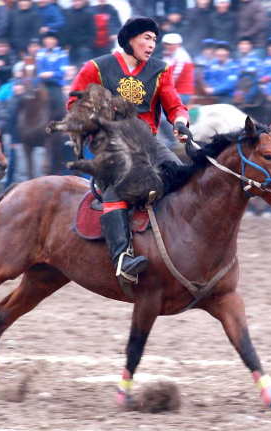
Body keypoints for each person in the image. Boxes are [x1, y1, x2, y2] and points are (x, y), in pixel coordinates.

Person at [68, 17, 190, 285]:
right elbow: (75, 104)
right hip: (111, 142)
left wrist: (181, 122)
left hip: (148, 140)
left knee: (183, 175)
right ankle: (122, 258)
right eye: (147, 38)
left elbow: (175, 106)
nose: (152, 45)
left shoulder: (161, 70)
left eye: (154, 40)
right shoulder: (96, 67)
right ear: (130, 39)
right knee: (120, 186)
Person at [36, 31, 68, 121]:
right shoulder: (40, 53)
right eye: (47, 39)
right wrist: (41, 74)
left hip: (55, 85)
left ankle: (58, 123)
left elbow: (61, 72)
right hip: (41, 84)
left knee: (58, 104)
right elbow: (38, 68)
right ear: (44, 41)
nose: (49, 41)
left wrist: (50, 74)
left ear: (56, 41)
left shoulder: (62, 54)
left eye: (52, 39)